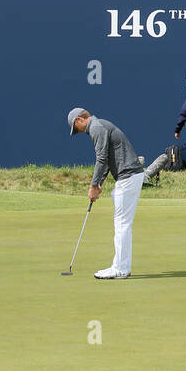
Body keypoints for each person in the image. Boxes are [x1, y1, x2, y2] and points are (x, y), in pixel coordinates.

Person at [67, 107, 145, 279]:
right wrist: (99, 183)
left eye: (76, 127)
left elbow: (101, 159)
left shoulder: (96, 127)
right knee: (122, 223)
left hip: (128, 176)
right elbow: (108, 160)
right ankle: (121, 266)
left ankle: (120, 269)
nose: (78, 131)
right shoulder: (100, 125)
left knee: (122, 224)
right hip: (129, 176)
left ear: (80, 119)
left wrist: (93, 185)